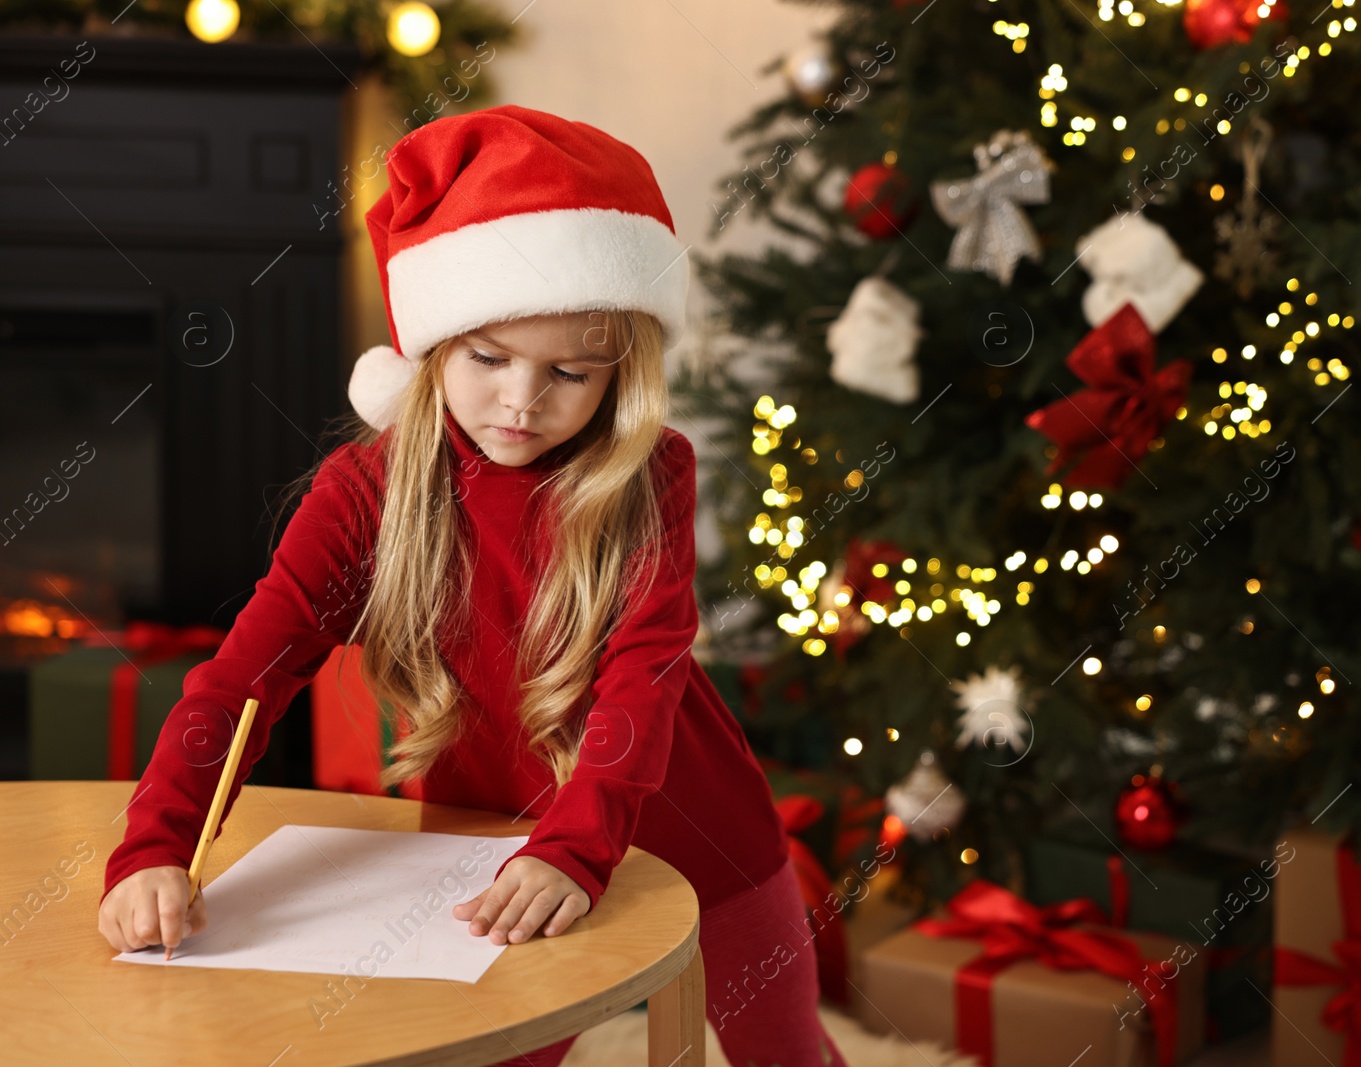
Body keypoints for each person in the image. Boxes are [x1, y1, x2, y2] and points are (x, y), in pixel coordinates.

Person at [96, 105, 848, 1067]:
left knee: (788, 1057)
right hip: (487, 845)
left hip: (697, 830)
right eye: (488, 358)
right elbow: (240, 682)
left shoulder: (649, 472)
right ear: (435, 344)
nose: (522, 402)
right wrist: (155, 845)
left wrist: (575, 850)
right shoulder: (366, 494)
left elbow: (643, 677)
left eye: (569, 372)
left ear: (619, 376)